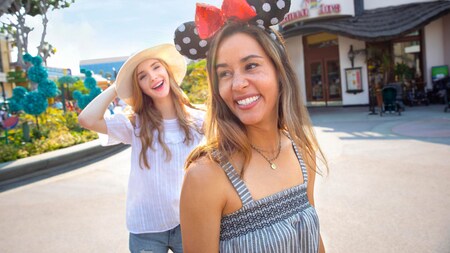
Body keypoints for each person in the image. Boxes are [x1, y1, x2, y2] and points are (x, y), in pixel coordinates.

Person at [179, 21, 328, 253]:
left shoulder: (302, 152)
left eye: (250, 66)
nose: (238, 84)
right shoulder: (205, 176)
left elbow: (313, 238)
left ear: (279, 72)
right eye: (225, 73)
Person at [78, 43, 205, 253]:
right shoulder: (134, 123)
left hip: (189, 222)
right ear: (140, 87)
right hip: (147, 229)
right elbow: (87, 119)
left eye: (156, 67)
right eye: (142, 76)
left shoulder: (199, 119)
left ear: (167, 71)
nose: (153, 77)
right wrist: (117, 86)